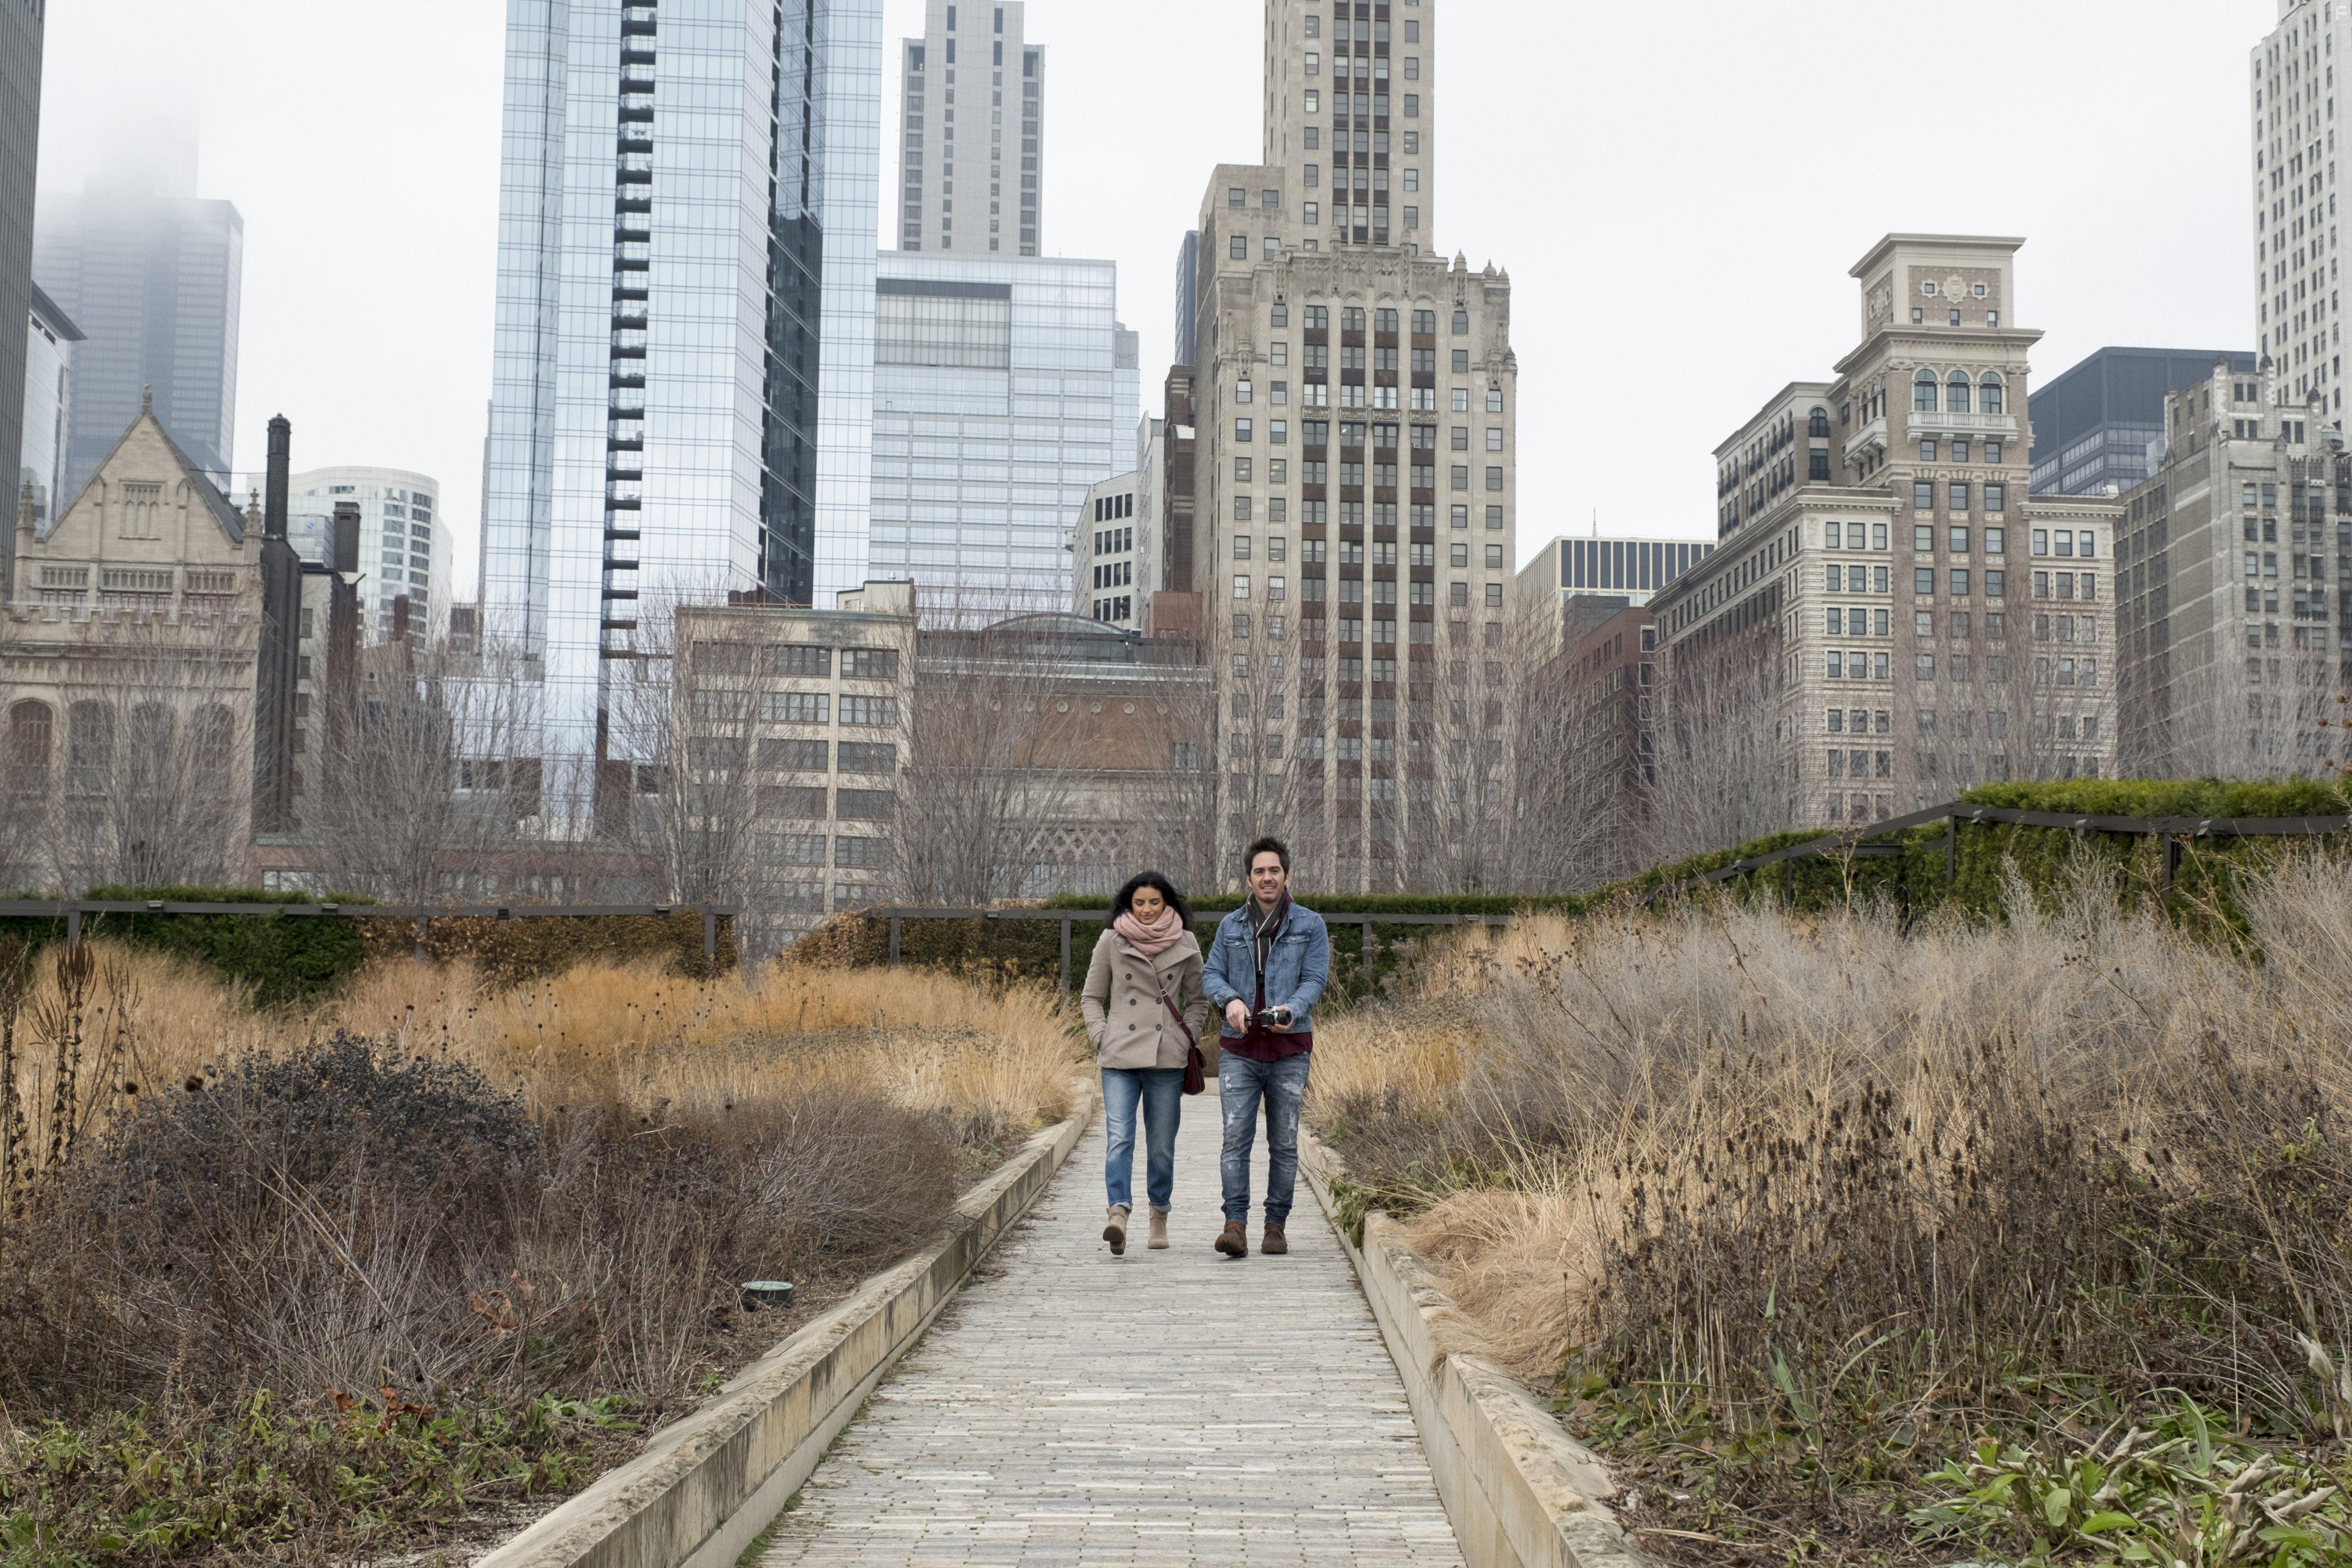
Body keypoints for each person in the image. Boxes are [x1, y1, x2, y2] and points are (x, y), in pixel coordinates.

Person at [1200, 837, 1329, 1259]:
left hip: (1290, 1048)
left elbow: (1315, 979)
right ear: (1249, 878)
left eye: (1274, 870)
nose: (1267, 877)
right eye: (1259, 871)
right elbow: (1211, 974)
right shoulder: (1230, 926)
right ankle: (1234, 1225)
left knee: (1285, 1143)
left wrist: (1293, 1008)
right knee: (1235, 1138)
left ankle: (1276, 1226)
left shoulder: (1310, 924)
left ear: (1286, 875)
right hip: (1239, 1048)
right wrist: (1230, 1000)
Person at [1081, 870, 1209, 1256]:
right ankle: (1118, 1213)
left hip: (1166, 1057)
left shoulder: (1186, 941)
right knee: (1119, 1137)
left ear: (1167, 903)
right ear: (1129, 904)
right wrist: (1101, 1036)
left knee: (1161, 1145)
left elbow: (1198, 1000)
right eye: (1140, 903)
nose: (1147, 909)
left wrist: (1187, 1037)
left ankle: (1159, 1214)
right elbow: (1091, 997)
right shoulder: (1111, 940)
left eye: (1155, 902)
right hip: (1119, 1055)